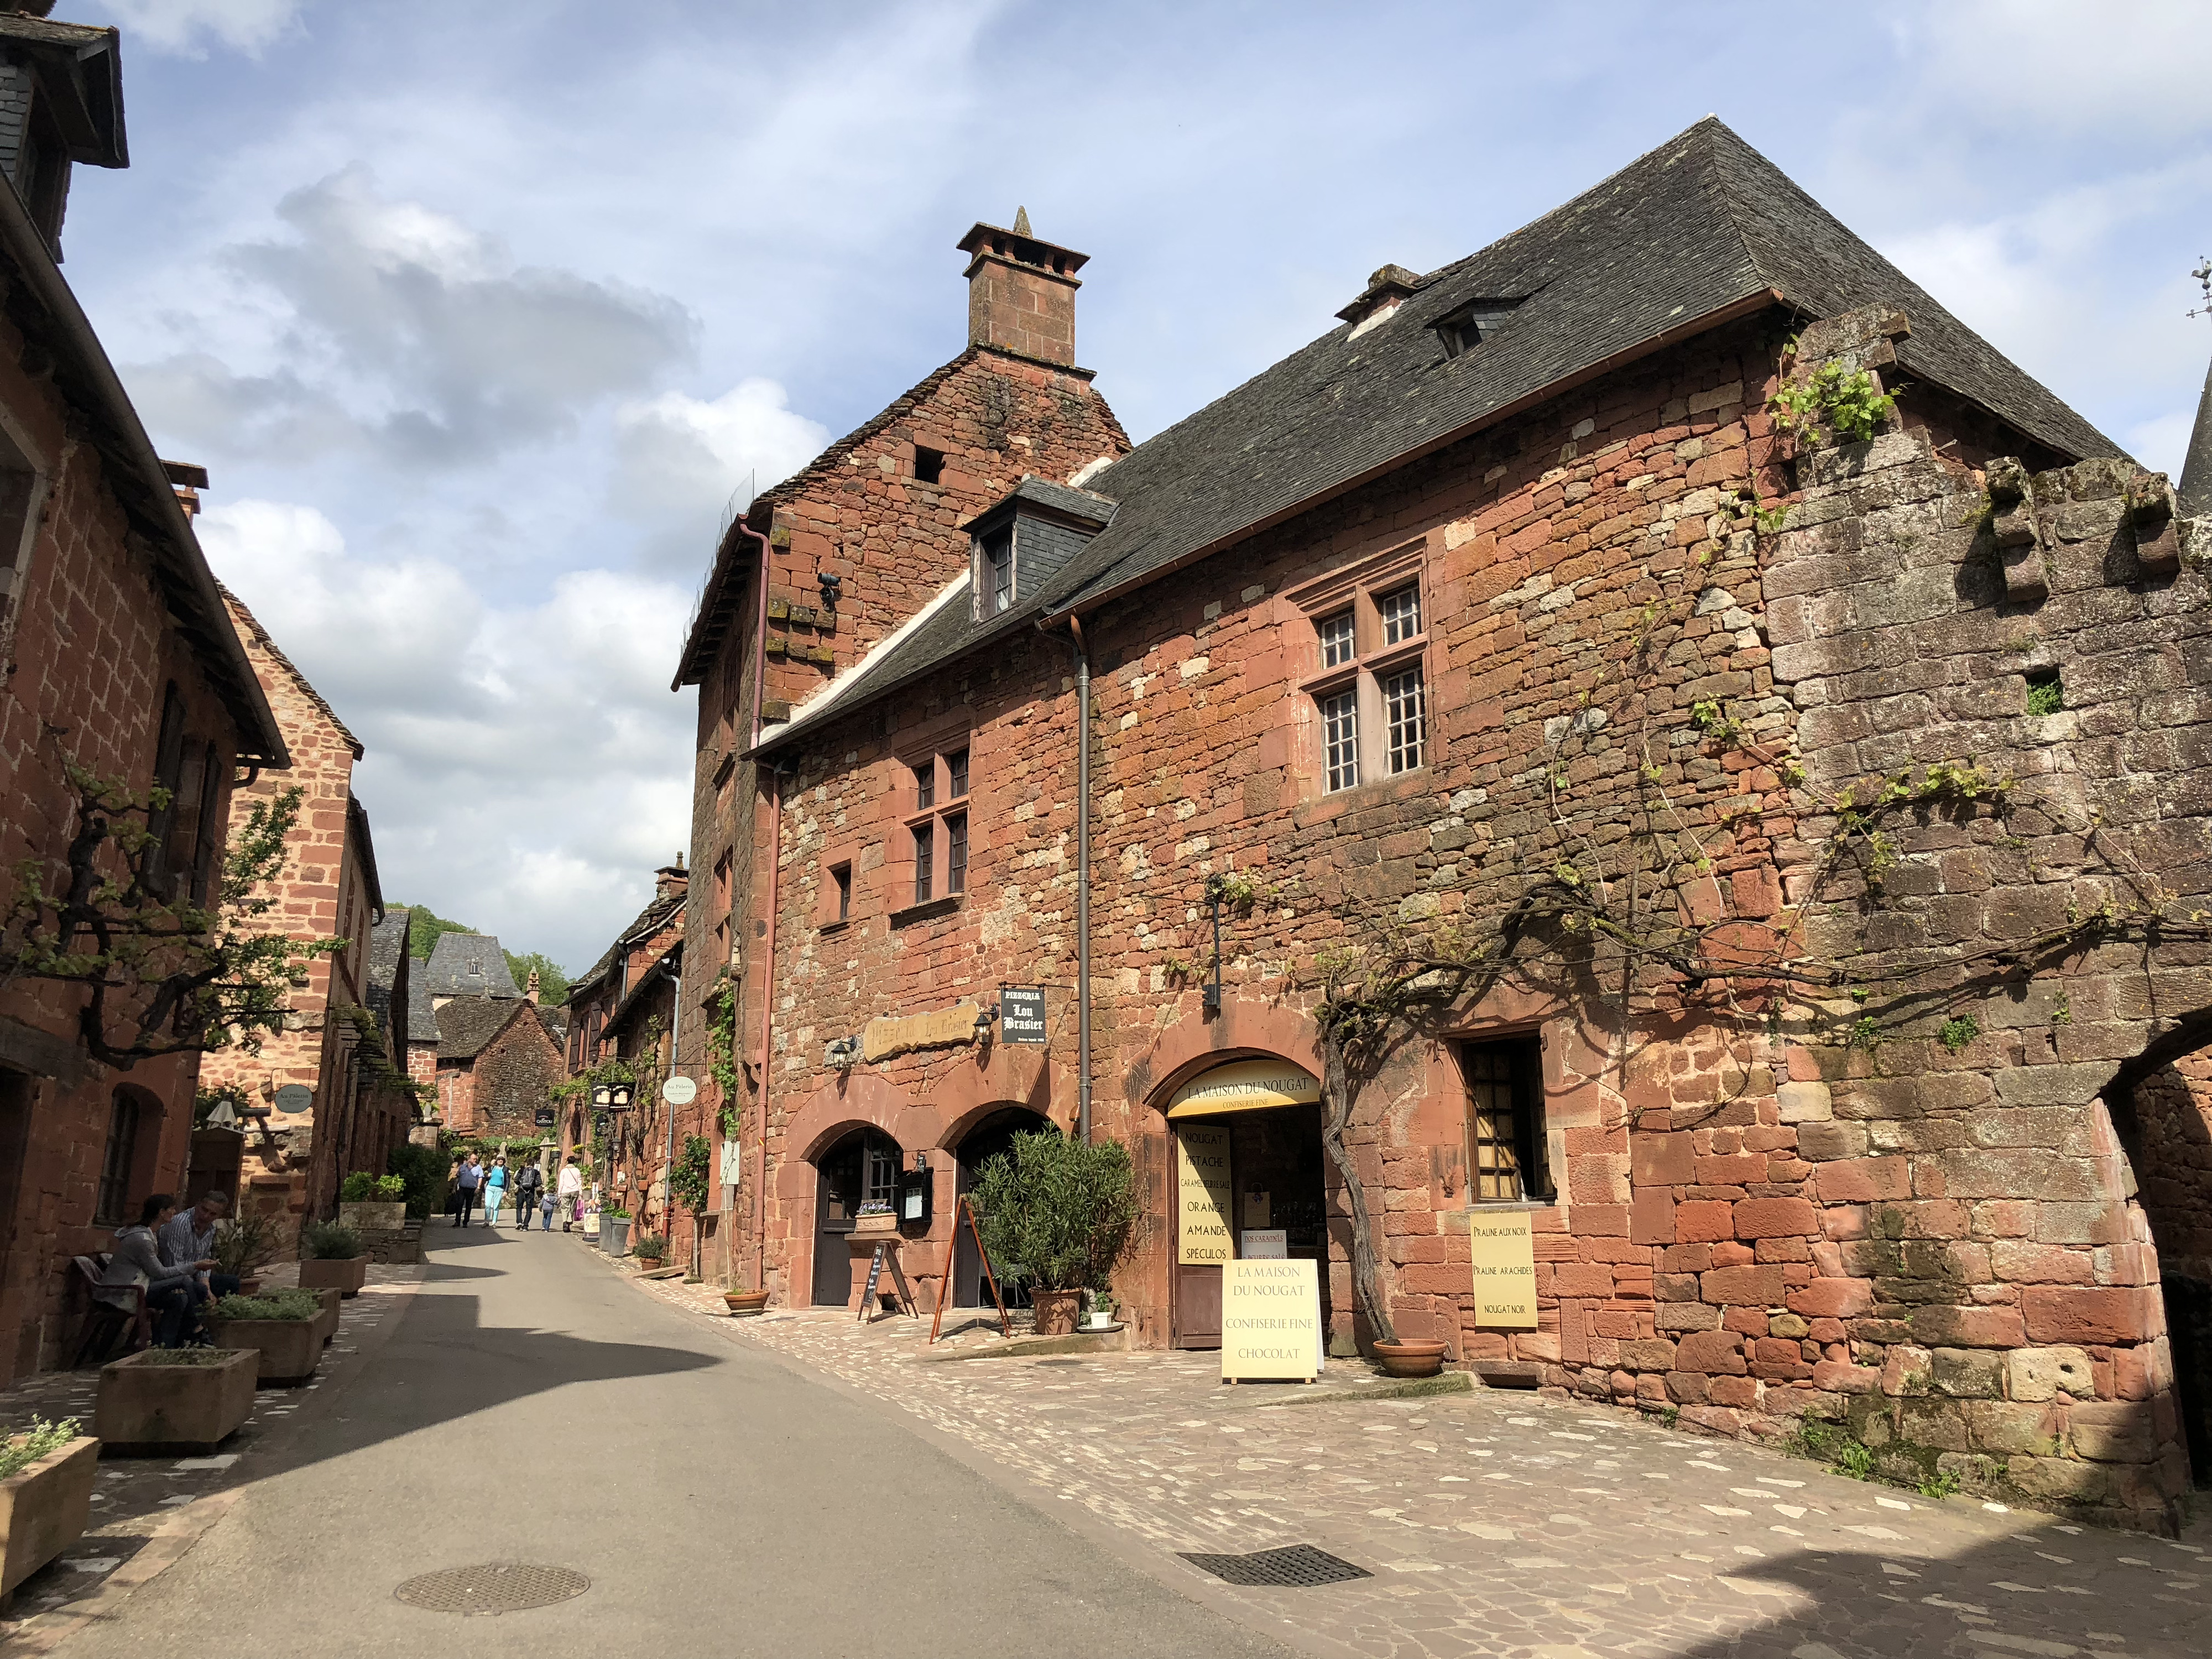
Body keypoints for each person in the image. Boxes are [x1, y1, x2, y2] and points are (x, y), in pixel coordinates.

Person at [98, 1194, 212, 1348]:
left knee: (181, 1298)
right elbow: (159, 1273)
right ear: (161, 1212)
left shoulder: (150, 1235)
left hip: (141, 1285)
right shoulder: (142, 1239)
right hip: (128, 1291)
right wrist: (195, 1265)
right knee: (185, 1281)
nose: (174, 1212)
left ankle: (165, 1346)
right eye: (171, 1209)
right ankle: (197, 1328)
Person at [157, 1189, 240, 1299]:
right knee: (199, 1290)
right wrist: (204, 1290)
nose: (205, 1216)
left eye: (212, 1214)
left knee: (231, 1282)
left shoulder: (211, 1228)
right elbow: (174, 1265)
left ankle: (223, 1313)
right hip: (172, 1278)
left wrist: (208, 1289)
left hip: (192, 1276)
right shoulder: (181, 1224)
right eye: (204, 1210)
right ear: (198, 1205)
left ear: (219, 1215)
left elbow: (204, 1260)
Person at [452, 1152, 482, 1227]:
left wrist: (478, 1188)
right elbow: (458, 1178)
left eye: (476, 1159)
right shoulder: (462, 1167)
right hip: (462, 1189)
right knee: (459, 1204)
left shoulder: (478, 1168)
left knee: (469, 1206)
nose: (476, 1160)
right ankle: (457, 1221)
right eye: (474, 1159)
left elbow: (480, 1178)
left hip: (472, 1189)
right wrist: (454, 1188)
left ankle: (465, 1222)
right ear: (469, 1159)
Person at [513, 1158, 544, 1229]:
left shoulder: (522, 1170)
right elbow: (539, 1182)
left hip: (521, 1190)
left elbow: (516, 1180)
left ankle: (519, 1221)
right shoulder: (536, 1172)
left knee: (519, 1207)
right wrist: (533, 1186)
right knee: (529, 1209)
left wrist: (521, 1184)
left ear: (526, 1163)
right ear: (534, 1164)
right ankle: (526, 1225)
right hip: (530, 1192)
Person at [556, 1155, 583, 1233]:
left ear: (567, 1161)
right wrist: (581, 1192)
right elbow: (579, 1182)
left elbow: (561, 1183)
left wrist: (559, 1194)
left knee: (565, 1207)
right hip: (575, 1191)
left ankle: (565, 1221)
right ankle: (569, 1224)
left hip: (565, 1191)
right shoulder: (577, 1171)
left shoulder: (564, 1171)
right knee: (572, 1207)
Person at [483, 1155, 508, 1227]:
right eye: (499, 1160)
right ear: (496, 1161)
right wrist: (488, 1175)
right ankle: (487, 1221)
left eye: (502, 1160)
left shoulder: (505, 1170)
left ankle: (494, 1222)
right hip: (490, 1188)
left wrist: (506, 1191)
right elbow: (486, 1177)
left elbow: (507, 1181)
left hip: (499, 1189)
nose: (500, 1161)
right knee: (487, 1205)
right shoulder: (492, 1168)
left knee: (496, 1206)